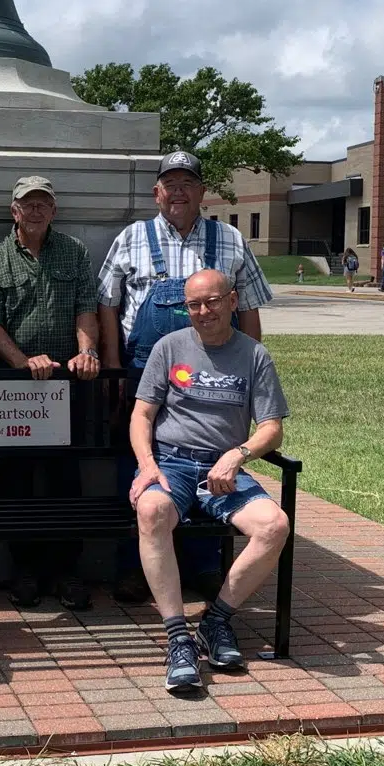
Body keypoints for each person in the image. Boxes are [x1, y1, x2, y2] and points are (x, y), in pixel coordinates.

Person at [97, 150, 273, 604]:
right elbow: (107, 303)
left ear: (201, 192)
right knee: (137, 465)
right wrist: (115, 368)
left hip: (216, 371)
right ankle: (135, 568)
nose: (178, 191)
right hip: (142, 370)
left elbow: (249, 307)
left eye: (187, 183)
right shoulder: (133, 237)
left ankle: (205, 565)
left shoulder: (230, 239)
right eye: (169, 183)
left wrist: (251, 367)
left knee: (210, 455)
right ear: (156, 192)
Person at [129, 269, 291, 691]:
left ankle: (216, 620)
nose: (203, 312)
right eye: (194, 304)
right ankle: (177, 638)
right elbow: (142, 415)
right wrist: (148, 465)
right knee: (152, 509)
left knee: (274, 526)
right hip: (172, 464)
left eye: (212, 302)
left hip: (225, 470)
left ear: (232, 301)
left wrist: (236, 456)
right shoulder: (169, 347)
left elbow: (271, 428)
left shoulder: (254, 354)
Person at [0, 176, 102, 610]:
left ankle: (67, 570)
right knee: (15, 480)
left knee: (66, 479)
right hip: (13, 389)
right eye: (28, 204)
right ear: (14, 211)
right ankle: (23, 568)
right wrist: (22, 363)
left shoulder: (75, 251)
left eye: (43, 203)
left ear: (54, 210)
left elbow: (87, 306)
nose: (35, 210)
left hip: (66, 386)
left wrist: (87, 352)